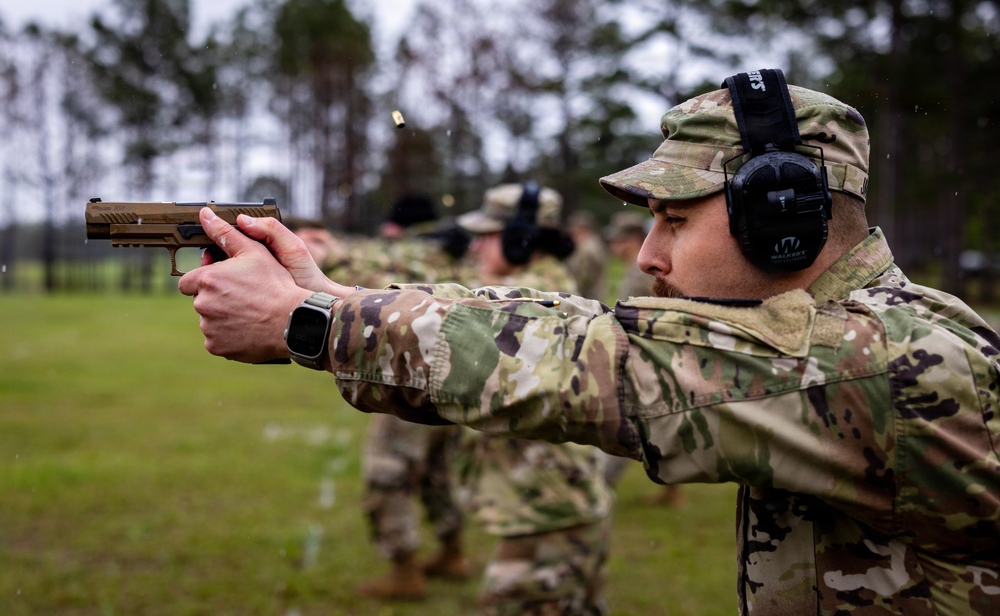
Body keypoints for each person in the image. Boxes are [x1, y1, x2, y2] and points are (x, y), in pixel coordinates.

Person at [179, 69, 1000, 615]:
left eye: (676, 220)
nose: (649, 255)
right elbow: (558, 318)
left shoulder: (887, 360)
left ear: (782, 218)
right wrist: (335, 296)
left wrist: (310, 325)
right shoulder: (853, 333)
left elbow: (592, 361)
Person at [452, 182, 614, 615]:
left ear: (519, 240)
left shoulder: (528, 299)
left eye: (487, 236)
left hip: (551, 512)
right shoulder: (540, 286)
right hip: (553, 505)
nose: (476, 247)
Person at [319, 196, 474, 601]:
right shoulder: (455, 249)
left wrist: (330, 254)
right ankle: (452, 552)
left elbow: (376, 276)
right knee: (438, 473)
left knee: (388, 473)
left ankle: (404, 570)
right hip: (455, 378)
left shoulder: (418, 252)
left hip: (411, 376)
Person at [599, 211, 683, 507]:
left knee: (629, 424)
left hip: (645, 355)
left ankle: (602, 484)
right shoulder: (635, 270)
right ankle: (671, 489)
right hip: (648, 355)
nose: (613, 247)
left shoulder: (642, 273)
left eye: (618, 241)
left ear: (633, 239)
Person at [564, 210, 608, 302]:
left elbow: (582, 279)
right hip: (593, 295)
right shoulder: (593, 244)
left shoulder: (587, 249)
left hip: (587, 297)